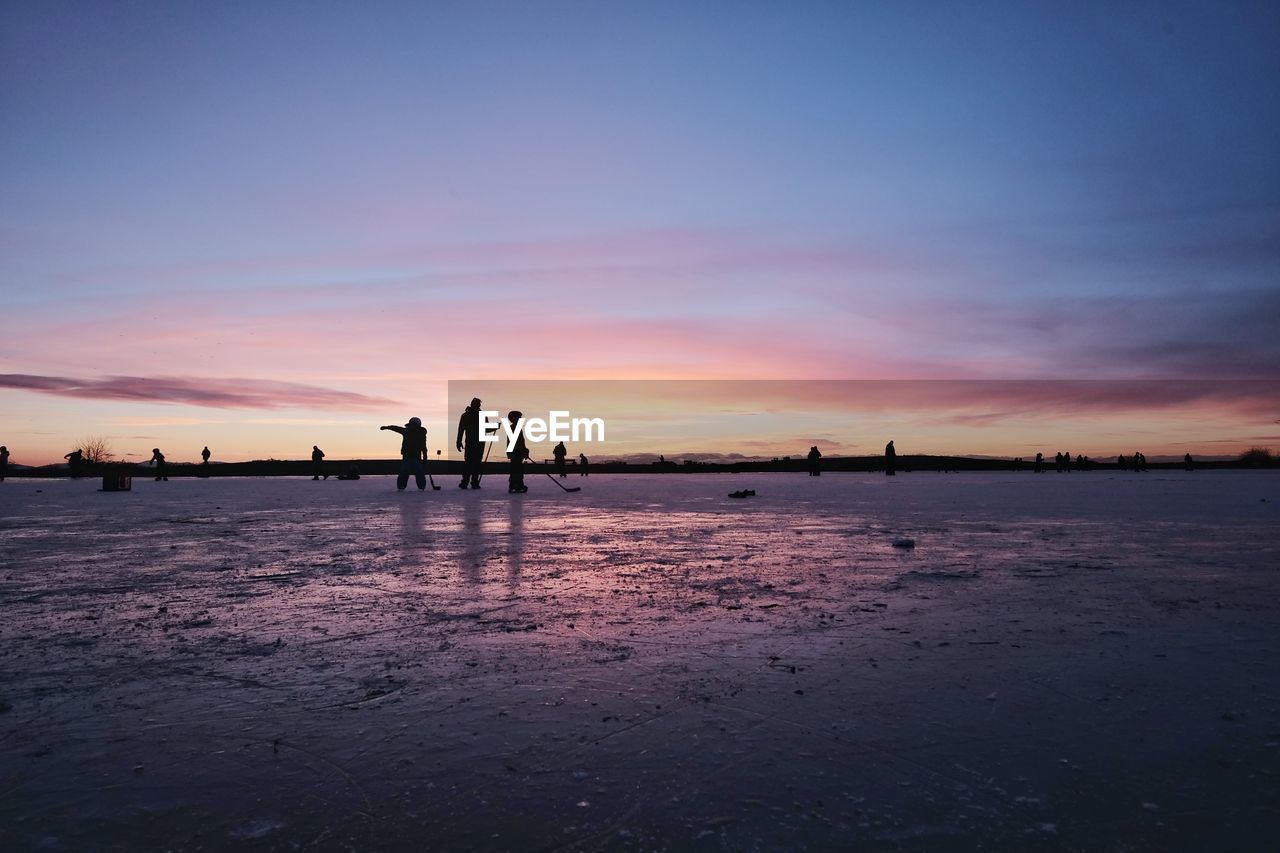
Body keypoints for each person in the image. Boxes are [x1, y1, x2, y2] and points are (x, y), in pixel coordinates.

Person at [381, 418, 428, 491]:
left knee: (419, 471)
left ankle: (421, 487)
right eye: (411, 424)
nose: (412, 426)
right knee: (405, 471)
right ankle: (401, 487)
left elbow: (423, 445)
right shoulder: (406, 431)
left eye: (414, 424)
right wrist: (387, 427)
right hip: (407, 455)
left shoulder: (420, 433)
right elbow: (396, 428)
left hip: (416, 455)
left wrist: (425, 454)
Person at [456, 397, 484, 489]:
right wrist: (458, 442)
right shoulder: (466, 415)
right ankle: (466, 482)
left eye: (478, 404)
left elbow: (485, 429)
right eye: (476, 404)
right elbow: (461, 429)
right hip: (471, 443)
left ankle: (472, 482)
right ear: (473, 404)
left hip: (479, 443)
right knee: (469, 463)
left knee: (475, 463)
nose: (478, 406)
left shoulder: (482, 415)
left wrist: (494, 427)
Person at [506, 410, 529, 493]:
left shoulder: (516, 428)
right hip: (515, 452)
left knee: (518, 468)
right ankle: (515, 484)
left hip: (516, 452)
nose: (521, 419)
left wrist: (525, 450)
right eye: (519, 417)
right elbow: (515, 442)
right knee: (516, 469)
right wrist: (522, 450)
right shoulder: (514, 428)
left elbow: (521, 441)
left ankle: (518, 484)